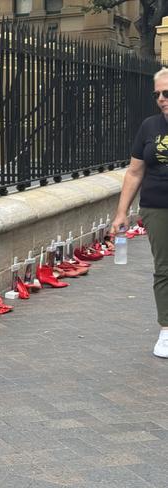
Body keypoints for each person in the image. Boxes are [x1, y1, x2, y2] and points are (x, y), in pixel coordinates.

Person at [111, 66, 168, 359]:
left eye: (167, 92)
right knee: (164, 268)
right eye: (157, 94)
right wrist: (122, 213)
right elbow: (134, 172)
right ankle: (166, 330)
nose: (161, 98)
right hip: (157, 206)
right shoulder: (149, 127)